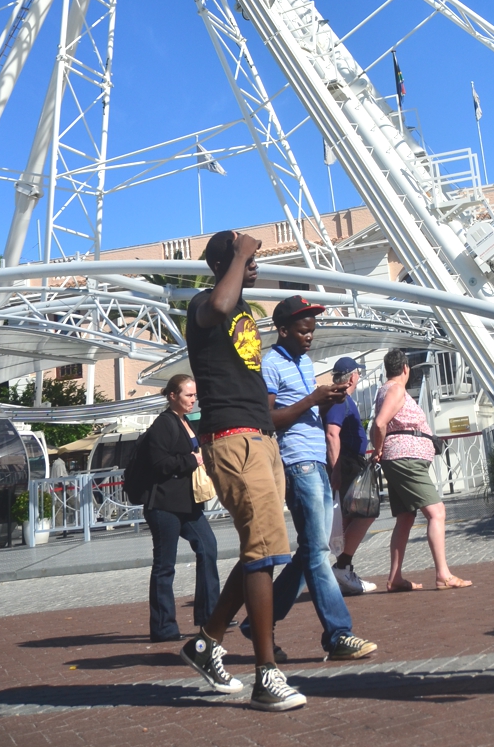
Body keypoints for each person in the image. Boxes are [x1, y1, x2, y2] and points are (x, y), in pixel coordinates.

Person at [182, 229, 306, 713]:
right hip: (232, 437)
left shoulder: (244, 310)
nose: (254, 259)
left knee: (261, 550)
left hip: (260, 437)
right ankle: (266, 675)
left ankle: (207, 641)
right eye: (244, 255)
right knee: (262, 554)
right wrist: (238, 253)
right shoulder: (204, 304)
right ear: (224, 261)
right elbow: (219, 303)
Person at [261, 297, 377, 661]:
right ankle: (338, 634)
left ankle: (258, 624)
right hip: (298, 462)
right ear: (283, 330)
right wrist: (313, 398)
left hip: (316, 461)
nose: (310, 336)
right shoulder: (271, 362)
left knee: (311, 551)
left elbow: (308, 411)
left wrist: (327, 401)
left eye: (312, 329)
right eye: (303, 330)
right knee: (317, 552)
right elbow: (269, 420)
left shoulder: (305, 362)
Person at [370, 348, 471, 593]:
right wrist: (378, 448)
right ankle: (443, 574)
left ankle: (395, 578)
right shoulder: (395, 389)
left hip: (400, 458)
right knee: (437, 512)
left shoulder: (384, 390)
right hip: (406, 459)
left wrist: (382, 449)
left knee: (405, 517)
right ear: (405, 369)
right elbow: (380, 423)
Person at [144, 373, 220, 642]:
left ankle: (211, 615)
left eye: (194, 395)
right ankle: (163, 627)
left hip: (189, 504)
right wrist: (192, 459)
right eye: (189, 395)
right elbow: (160, 463)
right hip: (164, 504)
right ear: (172, 396)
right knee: (165, 566)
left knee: (208, 548)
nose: (193, 400)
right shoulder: (163, 424)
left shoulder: (186, 421)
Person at [324, 356, 378, 596]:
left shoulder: (341, 400)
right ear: (353, 376)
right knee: (366, 511)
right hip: (346, 464)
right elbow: (331, 434)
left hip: (349, 463)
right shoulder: (341, 400)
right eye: (358, 373)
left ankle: (342, 569)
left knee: (349, 517)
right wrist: (335, 468)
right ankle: (343, 567)